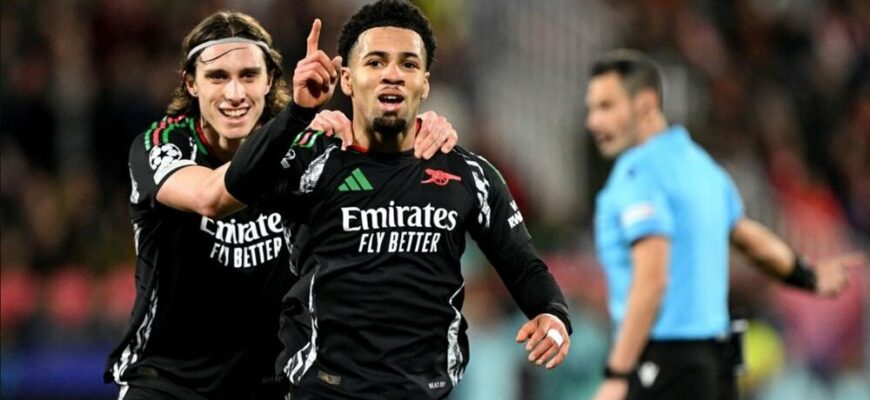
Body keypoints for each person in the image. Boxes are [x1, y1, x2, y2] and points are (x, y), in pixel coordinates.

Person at [223, 1, 573, 398]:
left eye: (408, 64)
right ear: (347, 79)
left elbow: (524, 267)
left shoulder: (468, 173)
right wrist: (298, 113)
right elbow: (240, 182)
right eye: (375, 62)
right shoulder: (312, 161)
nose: (392, 74)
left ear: (424, 83)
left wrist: (553, 314)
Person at [104, 10, 457, 400]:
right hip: (166, 383)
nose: (235, 94)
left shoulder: (307, 148)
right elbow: (209, 198)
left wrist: (420, 131)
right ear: (191, 83)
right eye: (217, 77)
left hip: (272, 384)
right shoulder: (161, 144)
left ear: (270, 80)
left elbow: (387, 194)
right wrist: (297, 118)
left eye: (249, 76)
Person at [585, 49, 866, 400]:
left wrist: (617, 374)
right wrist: (806, 275)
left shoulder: (643, 179)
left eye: (606, 107)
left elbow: (652, 282)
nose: (594, 121)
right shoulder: (703, 170)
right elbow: (749, 239)